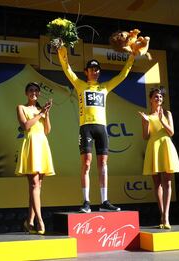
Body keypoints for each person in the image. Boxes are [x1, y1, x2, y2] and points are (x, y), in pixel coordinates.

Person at [57, 45, 135, 213]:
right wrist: (61, 51)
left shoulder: (105, 87)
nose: (95, 71)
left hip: (101, 128)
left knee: (103, 164)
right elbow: (67, 68)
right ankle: (86, 201)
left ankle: (104, 201)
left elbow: (122, 75)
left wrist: (132, 57)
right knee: (86, 163)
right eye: (92, 69)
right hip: (86, 128)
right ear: (86, 72)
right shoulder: (80, 85)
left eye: (97, 69)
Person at [15, 82, 55, 234]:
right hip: (31, 144)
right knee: (34, 185)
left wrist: (46, 113)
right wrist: (40, 114)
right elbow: (26, 126)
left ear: (39, 93)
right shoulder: (21, 107)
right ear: (26, 93)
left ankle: (29, 221)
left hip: (42, 144)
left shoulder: (41, 110)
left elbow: (47, 130)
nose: (33, 93)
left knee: (37, 187)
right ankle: (40, 220)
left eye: (36, 91)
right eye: (31, 90)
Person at [139, 87, 179, 229]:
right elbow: (145, 136)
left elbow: (171, 132)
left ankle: (166, 216)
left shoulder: (167, 113)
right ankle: (161, 213)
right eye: (156, 97)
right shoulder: (147, 116)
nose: (159, 99)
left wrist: (162, 120)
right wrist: (145, 122)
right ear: (151, 99)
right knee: (157, 184)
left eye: (161, 97)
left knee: (167, 183)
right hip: (154, 148)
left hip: (166, 146)